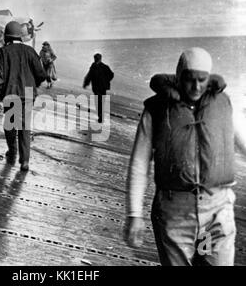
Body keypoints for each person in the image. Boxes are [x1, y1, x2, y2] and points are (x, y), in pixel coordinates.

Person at [124, 47, 246, 266]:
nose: (196, 86)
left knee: (210, 260)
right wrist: (134, 214)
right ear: (178, 76)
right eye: (190, 79)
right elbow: (139, 163)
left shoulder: (225, 105)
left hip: (215, 216)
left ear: (209, 79)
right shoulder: (156, 109)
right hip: (175, 218)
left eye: (202, 80)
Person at [0, 21, 46, 171]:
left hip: (11, 92)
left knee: (10, 125)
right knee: (25, 126)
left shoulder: (3, 52)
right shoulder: (30, 51)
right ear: (20, 36)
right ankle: (25, 161)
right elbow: (41, 74)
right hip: (28, 94)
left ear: (7, 36)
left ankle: (12, 151)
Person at [83, 53, 114, 123]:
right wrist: (106, 81)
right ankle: (101, 116)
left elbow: (89, 76)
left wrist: (86, 83)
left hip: (99, 87)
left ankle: (100, 116)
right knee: (100, 101)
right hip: (100, 87)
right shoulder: (103, 66)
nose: (95, 60)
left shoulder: (96, 67)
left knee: (99, 101)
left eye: (96, 58)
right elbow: (111, 75)